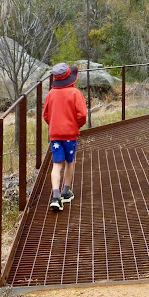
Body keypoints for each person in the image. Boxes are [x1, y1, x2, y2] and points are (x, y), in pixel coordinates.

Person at [43, 63, 87, 212]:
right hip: (70, 134)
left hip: (55, 135)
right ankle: (66, 192)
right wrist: (75, 125)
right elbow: (82, 115)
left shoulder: (51, 94)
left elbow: (46, 115)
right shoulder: (75, 93)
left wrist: (54, 125)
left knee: (57, 164)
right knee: (70, 161)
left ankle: (56, 196)